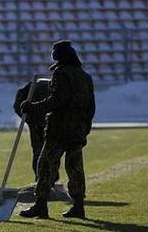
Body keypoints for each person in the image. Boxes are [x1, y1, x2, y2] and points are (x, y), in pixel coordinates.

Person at [19, 40, 96, 219]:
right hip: (78, 129)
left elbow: (57, 101)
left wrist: (32, 107)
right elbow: (91, 106)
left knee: (46, 164)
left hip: (60, 129)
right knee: (75, 166)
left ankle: (41, 205)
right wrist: (85, 128)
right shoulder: (85, 76)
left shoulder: (61, 73)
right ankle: (78, 205)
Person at [13, 77, 60, 183]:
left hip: (47, 123)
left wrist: (30, 120)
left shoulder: (32, 88)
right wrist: (32, 120)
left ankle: (45, 179)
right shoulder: (28, 90)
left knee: (43, 150)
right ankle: (47, 180)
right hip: (43, 123)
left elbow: (18, 105)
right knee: (47, 151)